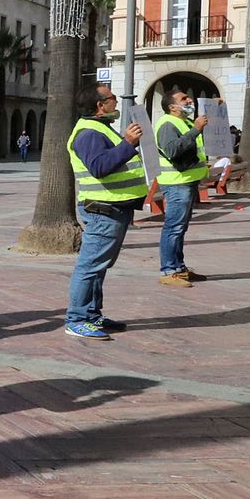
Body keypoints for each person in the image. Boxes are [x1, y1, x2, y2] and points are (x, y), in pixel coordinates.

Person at [62, 83, 148, 340]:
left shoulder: (100, 128)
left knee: (99, 265)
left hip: (113, 207)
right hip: (102, 210)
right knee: (90, 266)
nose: (117, 103)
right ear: (100, 105)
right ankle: (77, 319)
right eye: (112, 98)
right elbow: (99, 167)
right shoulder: (89, 133)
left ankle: (91, 314)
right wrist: (128, 143)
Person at [155, 88, 210, 287]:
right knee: (174, 227)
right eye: (183, 99)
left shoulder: (184, 122)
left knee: (180, 227)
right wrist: (195, 130)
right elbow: (171, 150)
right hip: (176, 182)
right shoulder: (168, 123)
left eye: (188, 97)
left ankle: (178, 268)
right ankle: (169, 270)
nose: (189, 100)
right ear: (172, 107)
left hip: (186, 181)